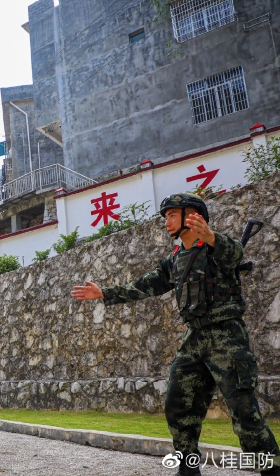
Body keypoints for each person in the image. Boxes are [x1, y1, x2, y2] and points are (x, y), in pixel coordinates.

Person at [71, 193, 279, 476]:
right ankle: (188, 468)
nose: (166, 221)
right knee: (178, 406)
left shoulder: (217, 246)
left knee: (244, 412)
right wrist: (104, 293)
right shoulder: (175, 259)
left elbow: (234, 254)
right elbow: (147, 284)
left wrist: (212, 237)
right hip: (194, 338)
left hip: (226, 336)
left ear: (191, 215)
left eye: (171, 215)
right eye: (165, 217)